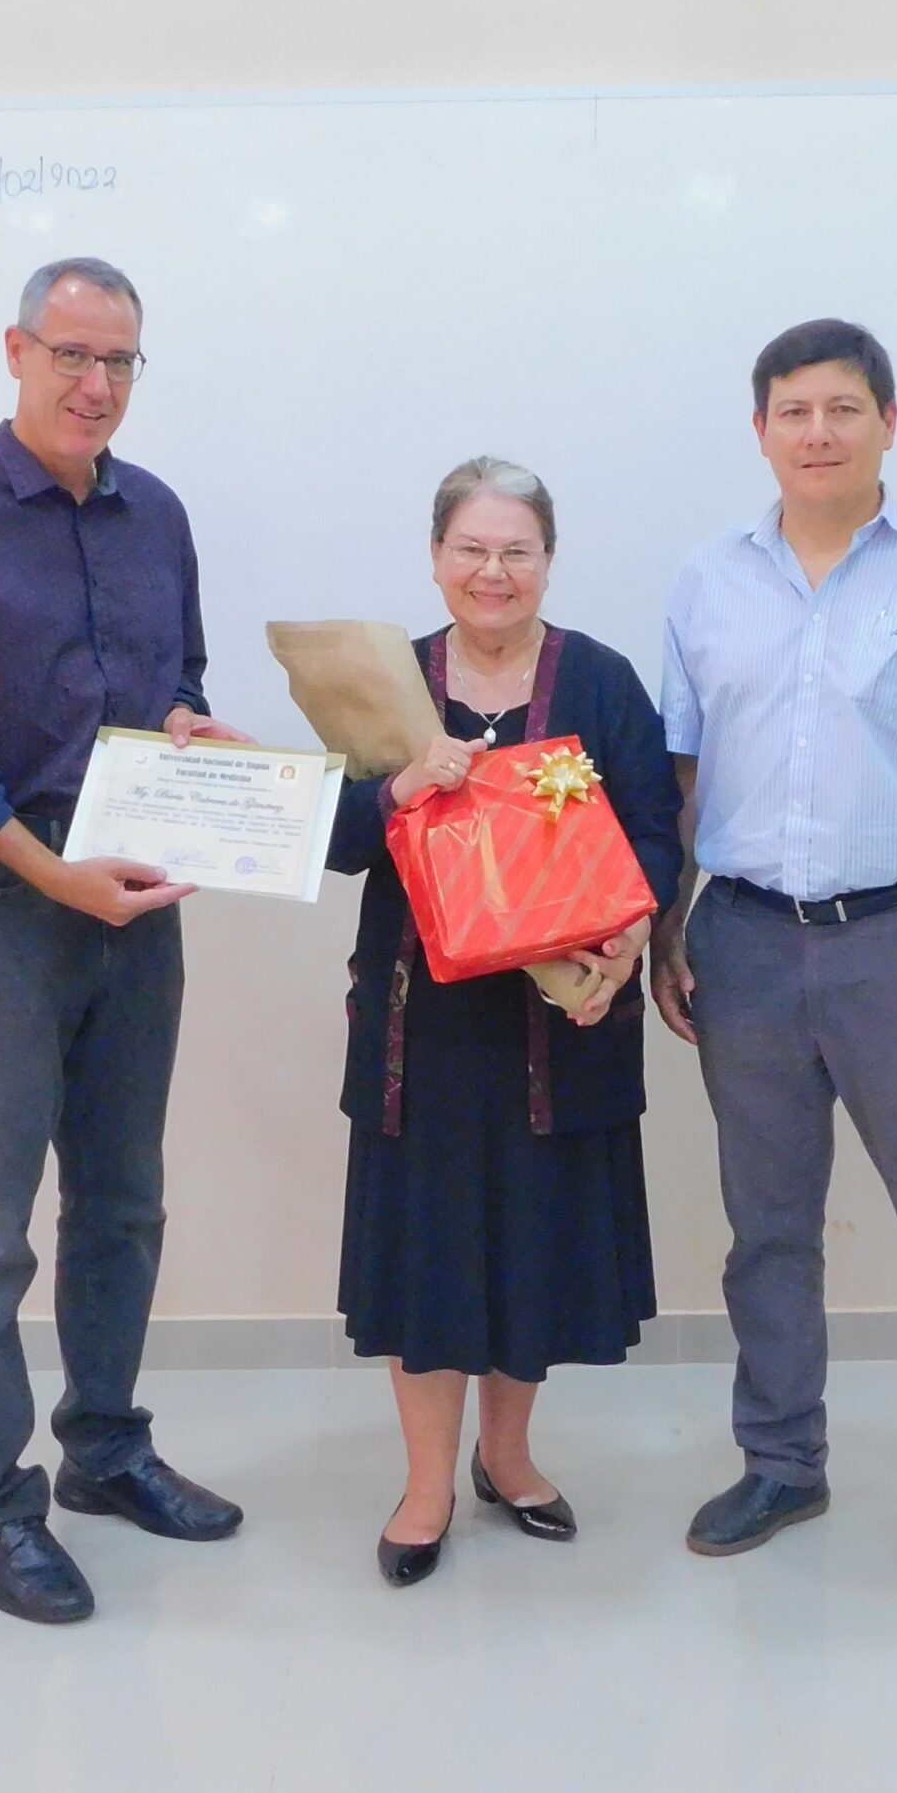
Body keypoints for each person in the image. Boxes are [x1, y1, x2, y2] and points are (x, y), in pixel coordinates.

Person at [0, 258, 248, 1626]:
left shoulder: (157, 516)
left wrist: (196, 740)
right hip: (1, 917)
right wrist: (54, 877)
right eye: (72, 356)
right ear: (16, 352)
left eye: (122, 363)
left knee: (123, 1202)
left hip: (134, 914)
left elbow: (180, 684)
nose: (97, 386)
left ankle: (105, 1450)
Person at [653, 319, 897, 1589]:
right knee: (766, 1226)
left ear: (889, 420)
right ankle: (780, 1458)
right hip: (748, 941)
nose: (817, 431)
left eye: (842, 408)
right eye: (792, 411)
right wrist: (669, 921)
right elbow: (681, 763)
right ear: (759, 429)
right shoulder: (708, 579)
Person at [327, 456, 683, 1588]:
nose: (494, 571)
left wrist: (634, 930)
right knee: (428, 1261)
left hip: (554, 1031)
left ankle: (511, 1456)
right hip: (415, 1031)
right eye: (471, 549)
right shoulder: (384, 683)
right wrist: (395, 789)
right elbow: (333, 835)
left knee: (534, 1248)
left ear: (547, 561)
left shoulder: (602, 682)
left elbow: (656, 834)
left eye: (516, 550)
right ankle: (427, 1484)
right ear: (436, 558)